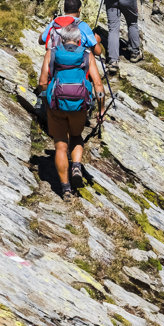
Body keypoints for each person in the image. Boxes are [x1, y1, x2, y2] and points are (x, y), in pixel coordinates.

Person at [38, 21, 105, 200]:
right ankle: (76, 165)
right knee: (76, 136)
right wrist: (101, 109)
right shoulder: (86, 55)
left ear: (61, 38)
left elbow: (43, 82)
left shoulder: (51, 53)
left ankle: (65, 189)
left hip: (57, 105)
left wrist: (46, 101)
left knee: (60, 144)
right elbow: (98, 85)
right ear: (78, 40)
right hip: (79, 105)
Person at [38, 0, 103, 58]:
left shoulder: (55, 22)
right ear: (79, 10)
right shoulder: (83, 25)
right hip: (75, 64)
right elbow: (98, 52)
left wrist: (45, 32)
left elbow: (41, 41)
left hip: (55, 62)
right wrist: (97, 41)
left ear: (64, 9)